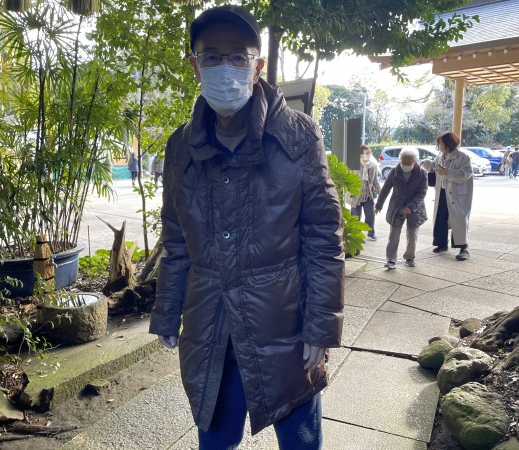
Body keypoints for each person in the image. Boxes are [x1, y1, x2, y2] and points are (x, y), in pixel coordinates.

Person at [148, 5, 344, 449]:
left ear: (257, 67)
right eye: (213, 57)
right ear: (196, 65)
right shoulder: (181, 146)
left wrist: (321, 327)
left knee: (300, 441)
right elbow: (176, 240)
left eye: (238, 56)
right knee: (215, 442)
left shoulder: (298, 136)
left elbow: (323, 238)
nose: (226, 67)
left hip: (285, 330)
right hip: (209, 330)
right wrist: (167, 311)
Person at [421, 131, 473, 261]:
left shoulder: (463, 157)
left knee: (459, 219)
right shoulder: (440, 156)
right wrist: (428, 164)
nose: (439, 146)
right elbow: (434, 167)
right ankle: (441, 243)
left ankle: (463, 248)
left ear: (448, 143)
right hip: (442, 191)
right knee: (440, 217)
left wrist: (447, 172)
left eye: (440, 144)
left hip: (457, 194)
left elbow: (466, 174)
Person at [374, 147, 428, 269]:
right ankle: (391, 259)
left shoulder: (422, 173)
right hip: (398, 208)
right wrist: (379, 205)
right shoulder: (395, 171)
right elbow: (385, 189)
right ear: (400, 159)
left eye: (409, 162)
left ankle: (410, 257)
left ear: (414, 161)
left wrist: (411, 207)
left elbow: (422, 193)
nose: (406, 164)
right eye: (404, 161)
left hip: (414, 210)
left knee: (412, 234)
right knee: (394, 234)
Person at [350, 144, 381, 241]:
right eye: (366, 153)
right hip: (356, 195)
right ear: (361, 154)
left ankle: (371, 233)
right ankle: (355, 235)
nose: (368, 155)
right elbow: (349, 178)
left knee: (370, 216)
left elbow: (375, 180)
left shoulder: (373, 165)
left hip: (368, 195)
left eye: (369, 153)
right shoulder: (354, 165)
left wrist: (380, 192)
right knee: (355, 217)